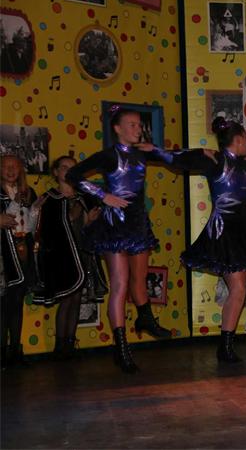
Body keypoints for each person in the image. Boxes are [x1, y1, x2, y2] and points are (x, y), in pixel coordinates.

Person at [66, 106, 194, 373]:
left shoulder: (143, 152)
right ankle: (121, 348)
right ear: (118, 128)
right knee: (120, 284)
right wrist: (103, 196)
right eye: (133, 125)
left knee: (140, 279)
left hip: (136, 221)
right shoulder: (108, 155)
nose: (139, 129)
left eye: (139, 125)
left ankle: (145, 319)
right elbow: (72, 175)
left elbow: (177, 159)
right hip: (114, 223)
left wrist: (160, 150)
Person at [178, 117, 246, 363]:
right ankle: (225, 346)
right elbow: (177, 159)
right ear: (239, 140)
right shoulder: (215, 161)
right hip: (223, 230)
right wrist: (198, 153)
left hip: (242, 227)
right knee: (238, 288)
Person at [32, 156, 107, 359]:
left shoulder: (83, 197)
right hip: (62, 257)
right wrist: (70, 217)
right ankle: (59, 346)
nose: (68, 171)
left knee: (76, 299)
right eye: (64, 167)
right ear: (56, 172)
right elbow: (47, 231)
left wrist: (90, 222)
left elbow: (87, 228)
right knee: (67, 298)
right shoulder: (50, 198)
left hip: (81, 254)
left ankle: (70, 344)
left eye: (73, 168)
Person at [0, 154, 38, 368]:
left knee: (17, 303)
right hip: (4, 255)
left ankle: (16, 351)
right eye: (6, 166)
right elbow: (6, 220)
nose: (10, 170)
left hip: (22, 251)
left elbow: (29, 226)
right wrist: (14, 204)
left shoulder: (27, 192)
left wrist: (35, 210)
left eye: (14, 166)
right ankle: (2, 355)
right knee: (3, 305)